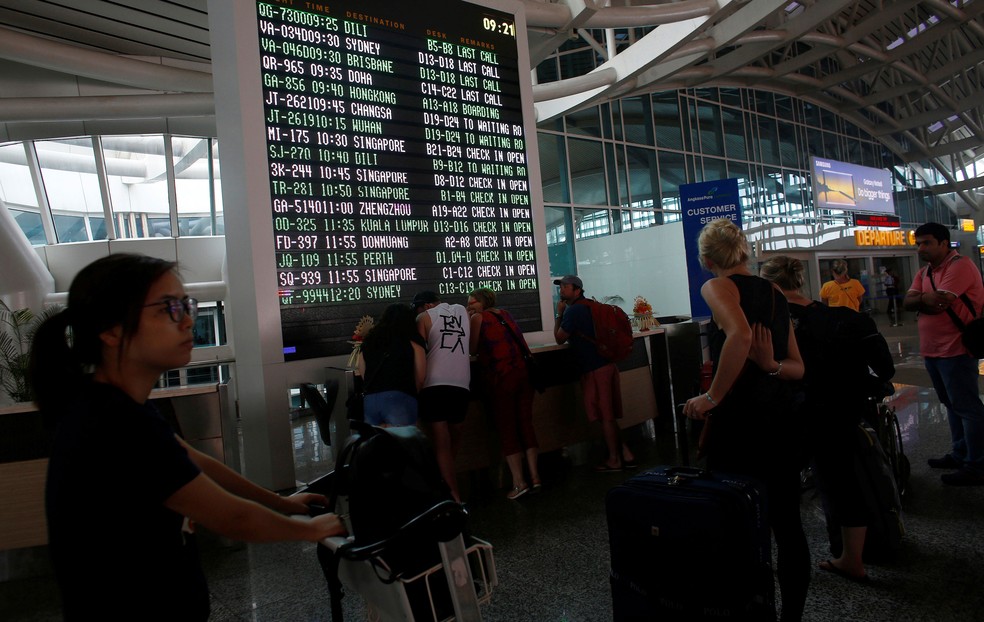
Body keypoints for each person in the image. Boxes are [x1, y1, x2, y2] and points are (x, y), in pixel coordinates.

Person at [30, 253, 344, 620]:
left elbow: (196, 463)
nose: (188, 321)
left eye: (186, 305)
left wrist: (284, 503)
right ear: (111, 329)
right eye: (169, 309)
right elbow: (233, 519)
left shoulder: (115, 407)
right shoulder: (115, 424)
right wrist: (306, 531)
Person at [681, 219, 809, 622]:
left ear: (706, 260)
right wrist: (770, 365)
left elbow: (737, 335)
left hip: (740, 426)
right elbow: (796, 367)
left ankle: (742, 610)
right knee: (788, 527)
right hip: (780, 421)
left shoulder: (716, 286)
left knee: (735, 526)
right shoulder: (773, 292)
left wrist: (711, 398)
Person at [761, 255, 895, 584]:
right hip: (840, 413)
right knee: (843, 483)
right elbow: (884, 369)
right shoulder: (840, 319)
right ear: (801, 281)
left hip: (791, 416)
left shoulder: (771, 324)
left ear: (771, 286)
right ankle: (853, 560)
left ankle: (782, 557)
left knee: (781, 487)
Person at [903, 222, 984, 485]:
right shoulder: (926, 271)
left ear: (943, 243)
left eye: (926, 242)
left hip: (957, 349)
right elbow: (907, 302)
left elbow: (941, 303)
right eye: (918, 243)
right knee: (951, 405)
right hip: (932, 350)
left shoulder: (960, 266)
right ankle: (960, 453)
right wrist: (925, 299)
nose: (920, 248)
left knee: (968, 407)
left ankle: (977, 464)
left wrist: (923, 300)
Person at [553, 274, 636, 472]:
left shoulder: (574, 311)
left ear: (577, 290)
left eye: (565, 287)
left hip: (594, 368)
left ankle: (615, 460)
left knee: (605, 416)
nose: (561, 290)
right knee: (608, 415)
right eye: (561, 287)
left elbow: (559, 339)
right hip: (607, 365)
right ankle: (625, 453)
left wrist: (559, 315)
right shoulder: (592, 306)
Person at [467, 287, 541, 500]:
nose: (470, 306)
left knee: (507, 427)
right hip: (523, 375)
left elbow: (472, 349)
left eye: (472, 302)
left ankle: (519, 482)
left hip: (500, 378)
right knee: (526, 424)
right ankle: (535, 477)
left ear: (482, 302)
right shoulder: (505, 314)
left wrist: (468, 318)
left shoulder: (478, 318)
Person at [413, 290, 471, 502]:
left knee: (441, 442)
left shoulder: (423, 317)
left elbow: (419, 349)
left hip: (434, 385)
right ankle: (446, 484)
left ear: (427, 306)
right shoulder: (463, 311)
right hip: (462, 383)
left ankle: (450, 496)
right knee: (454, 436)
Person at [357, 303, 427, 427]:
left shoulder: (369, 342)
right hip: (400, 398)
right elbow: (420, 378)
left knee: (376, 443)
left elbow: (363, 373)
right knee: (402, 444)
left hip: (371, 400)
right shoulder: (413, 341)